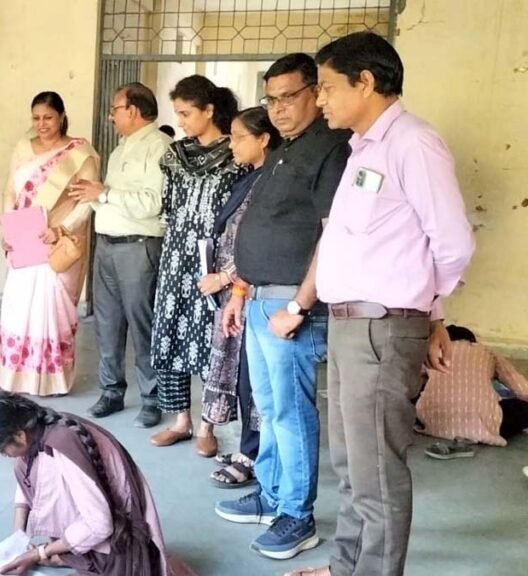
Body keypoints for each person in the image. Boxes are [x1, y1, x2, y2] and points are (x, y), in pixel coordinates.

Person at [288, 32, 475, 576]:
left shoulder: (412, 142)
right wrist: (432, 314)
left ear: (365, 82)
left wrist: (427, 309)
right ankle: (346, 565)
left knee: (376, 469)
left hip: (383, 326)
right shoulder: (365, 148)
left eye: (325, 87)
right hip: (352, 323)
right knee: (351, 464)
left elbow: (454, 242)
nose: (318, 100)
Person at [214, 53, 350, 561]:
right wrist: (241, 290)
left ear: (315, 91)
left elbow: (331, 234)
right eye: (270, 99)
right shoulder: (285, 149)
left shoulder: (332, 149)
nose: (278, 109)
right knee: (268, 409)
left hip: (291, 306)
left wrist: (298, 304)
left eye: (288, 97)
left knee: (291, 414)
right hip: (259, 298)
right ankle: (271, 496)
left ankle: (298, 514)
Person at [0, 391, 194, 576]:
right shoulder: (36, 429)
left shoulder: (62, 446)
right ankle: (70, 553)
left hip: (120, 545)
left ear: (19, 436)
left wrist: (40, 553)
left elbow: (100, 525)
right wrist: (16, 541)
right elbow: (27, 480)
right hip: (104, 528)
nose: (3, 454)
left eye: (1, 449)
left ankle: (83, 557)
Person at [149, 75, 246, 455]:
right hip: (176, 256)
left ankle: (208, 424)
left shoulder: (236, 156)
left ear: (209, 110)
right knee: (170, 331)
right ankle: (180, 420)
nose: (183, 121)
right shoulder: (175, 155)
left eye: (187, 113)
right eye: (179, 114)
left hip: (214, 260)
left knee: (209, 337)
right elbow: (168, 208)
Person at [69, 82, 171, 428]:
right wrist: (93, 195)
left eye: (115, 109)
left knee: (143, 325)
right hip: (108, 246)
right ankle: (111, 391)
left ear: (134, 111)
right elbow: (110, 199)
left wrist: (106, 193)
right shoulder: (120, 149)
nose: (111, 116)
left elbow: (153, 203)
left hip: (138, 247)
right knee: (107, 323)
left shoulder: (159, 148)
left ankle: (152, 398)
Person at [0, 92, 100, 396]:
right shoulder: (22, 148)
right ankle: (16, 376)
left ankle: (49, 379)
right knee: (18, 307)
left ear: (62, 116)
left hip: (58, 242)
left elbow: (87, 202)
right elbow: (10, 189)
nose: (42, 124)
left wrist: (61, 228)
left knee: (50, 311)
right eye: (36, 118)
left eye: (48, 117)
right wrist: (8, 225)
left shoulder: (79, 153)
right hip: (24, 240)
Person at [201, 107, 281, 487]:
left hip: (254, 293)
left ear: (264, 139)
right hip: (237, 295)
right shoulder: (250, 179)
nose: (231, 145)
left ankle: (255, 456)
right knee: (246, 379)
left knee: (257, 382)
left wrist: (228, 277)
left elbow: (261, 243)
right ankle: (251, 449)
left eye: (239, 137)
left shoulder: (273, 182)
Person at [417, 325, 528, 453]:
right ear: (472, 341)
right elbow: (523, 390)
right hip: (485, 424)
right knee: (519, 407)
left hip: (434, 424)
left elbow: (411, 385)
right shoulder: (486, 352)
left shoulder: (433, 353)